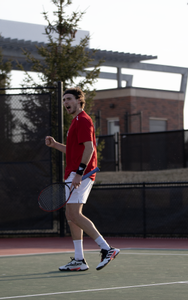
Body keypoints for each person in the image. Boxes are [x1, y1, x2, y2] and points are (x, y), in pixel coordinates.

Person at [45, 87, 120, 271]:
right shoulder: (75, 122)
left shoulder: (84, 120)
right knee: (71, 217)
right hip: (74, 172)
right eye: (64, 101)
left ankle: (106, 249)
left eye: (68, 99)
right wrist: (55, 145)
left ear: (79, 100)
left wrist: (79, 173)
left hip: (81, 173)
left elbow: (89, 149)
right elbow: (73, 150)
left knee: (74, 214)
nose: (65, 103)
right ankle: (79, 259)